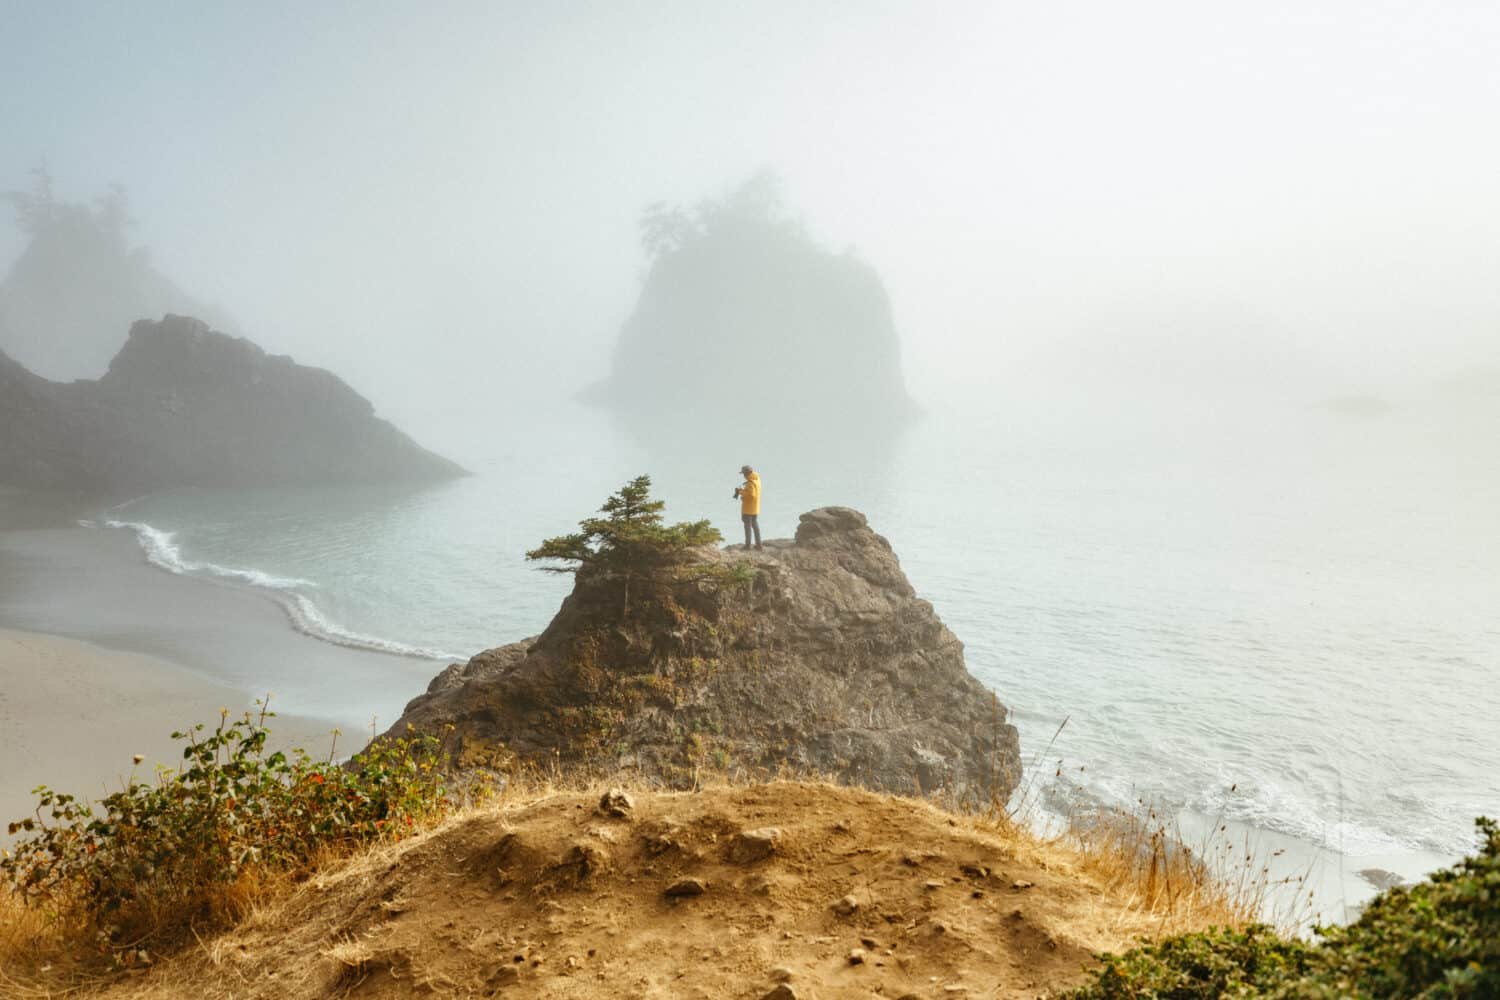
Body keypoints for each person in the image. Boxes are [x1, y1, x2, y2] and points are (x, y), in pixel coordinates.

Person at [734, 464, 762, 550]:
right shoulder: (757, 480)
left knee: (747, 527)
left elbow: (751, 496)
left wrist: (741, 492)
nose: (743, 476)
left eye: (743, 474)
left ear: (746, 473)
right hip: (755, 507)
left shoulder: (750, 483)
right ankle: (759, 545)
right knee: (755, 526)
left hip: (748, 509)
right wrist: (743, 490)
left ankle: (748, 546)